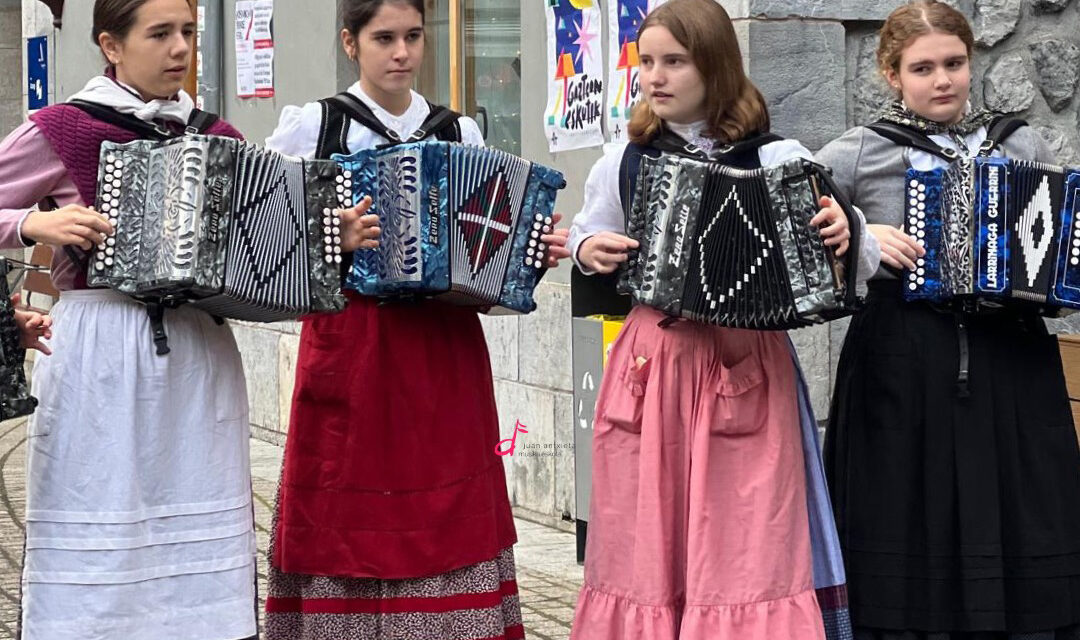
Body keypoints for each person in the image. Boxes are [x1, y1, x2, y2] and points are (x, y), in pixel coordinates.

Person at [0, 0, 372, 637]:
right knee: (104, 505)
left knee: (194, 524)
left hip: (200, 349)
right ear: (111, 45)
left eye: (189, 33)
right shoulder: (66, 128)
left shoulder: (217, 137)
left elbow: (257, 254)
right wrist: (32, 222)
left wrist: (323, 236)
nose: (180, 48)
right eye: (161, 33)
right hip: (103, 347)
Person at [565, 0, 879, 638]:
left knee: (747, 532)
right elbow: (587, 235)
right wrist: (586, 250)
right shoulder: (623, 162)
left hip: (746, 367)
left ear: (715, 66)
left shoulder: (776, 158)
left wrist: (846, 230)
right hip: (654, 368)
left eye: (674, 62)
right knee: (648, 531)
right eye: (646, 61)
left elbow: (860, 259)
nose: (655, 76)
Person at [262, 1, 569, 638]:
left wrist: (528, 253)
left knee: (446, 496)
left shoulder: (460, 134)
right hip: (353, 343)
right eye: (383, 38)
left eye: (412, 37)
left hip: (443, 348)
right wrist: (329, 236)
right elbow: (263, 239)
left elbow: (492, 258)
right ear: (351, 42)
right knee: (343, 494)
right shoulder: (314, 128)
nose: (401, 52)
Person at [821, 2, 1080, 638]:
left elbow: (1052, 239)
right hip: (901, 358)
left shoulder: (1017, 141)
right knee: (907, 507)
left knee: (1023, 504)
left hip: (1011, 357)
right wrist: (860, 230)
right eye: (924, 67)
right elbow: (796, 222)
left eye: (955, 63)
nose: (943, 80)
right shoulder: (860, 152)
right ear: (891, 74)